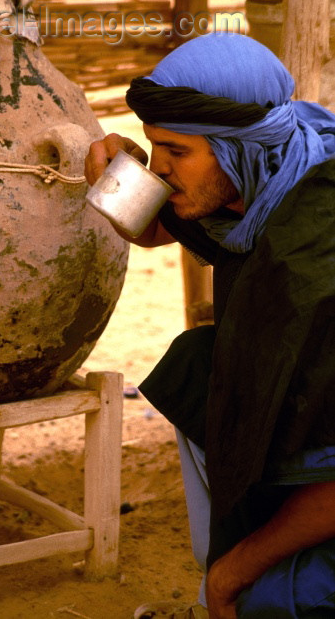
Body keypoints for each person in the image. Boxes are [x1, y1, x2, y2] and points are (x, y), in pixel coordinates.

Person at [84, 33, 335, 619]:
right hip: (315, 429)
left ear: (241, 146)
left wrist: (230, 575)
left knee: (267, 599)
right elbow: (153, 227)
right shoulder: (262, 175)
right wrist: (116, 174)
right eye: (153, 147)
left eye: (176, 152)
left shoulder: (315, 260)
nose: (162, 171)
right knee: (204, 364)